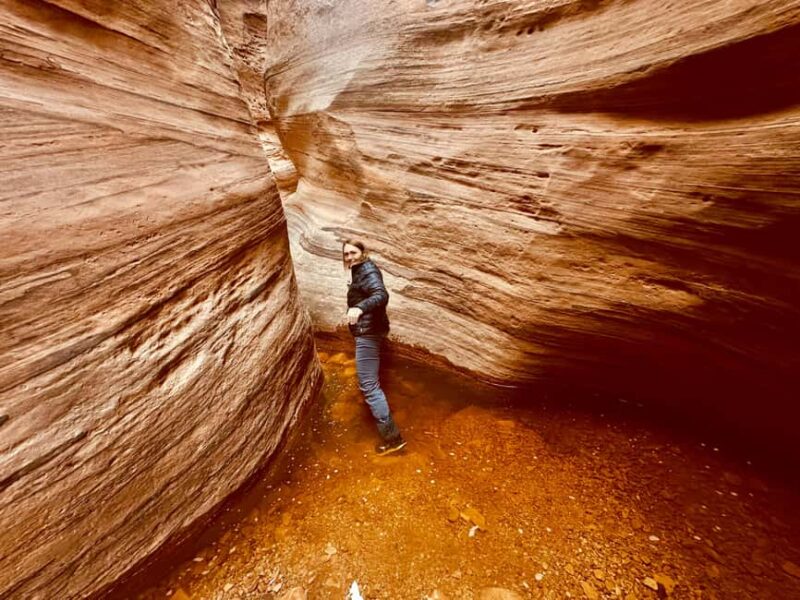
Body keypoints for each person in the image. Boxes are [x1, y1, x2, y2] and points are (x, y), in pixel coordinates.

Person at [342, 239, 406, 455]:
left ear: (363, 252)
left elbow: (381, 295)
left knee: (369, 385)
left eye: (353, 252)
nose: (349, 257)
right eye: (346, 254)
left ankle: (393, 439)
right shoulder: (359, 270)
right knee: (370, 383)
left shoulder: (367, 269)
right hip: (370, 331)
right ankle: (391, 434)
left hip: (367, 334)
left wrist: (359, 308)